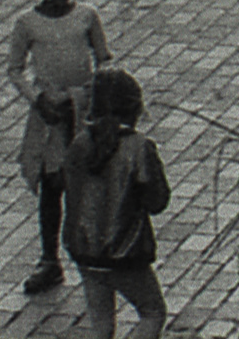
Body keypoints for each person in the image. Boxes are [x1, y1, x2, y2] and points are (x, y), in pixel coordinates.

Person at [4, 0, 109, 295]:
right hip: (50, 117)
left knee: (87, 183)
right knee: (52, 187)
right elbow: (14, 70)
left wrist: (92, 95)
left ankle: (94, 252)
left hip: (81, 113)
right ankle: (50, 259)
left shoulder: (86, 16)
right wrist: (37, 99)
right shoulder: (27, 24)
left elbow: (105, 60)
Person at [60, 66, 169, 337]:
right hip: (124, 251)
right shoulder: (138, 147)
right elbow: (157, 201)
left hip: (84, 250)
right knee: (152, 312)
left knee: (102, 324)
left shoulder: (79, 144)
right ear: (134, 107)